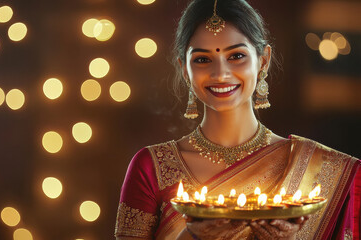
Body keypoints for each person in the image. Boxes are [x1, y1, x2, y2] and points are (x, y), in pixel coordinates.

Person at [114, 0, 360, 239]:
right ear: (184, 69)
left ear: (263, 61)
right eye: (202, 59)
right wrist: (192, 236)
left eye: (236, 56)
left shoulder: (324, 169)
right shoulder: (151, 167)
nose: (220, 73)